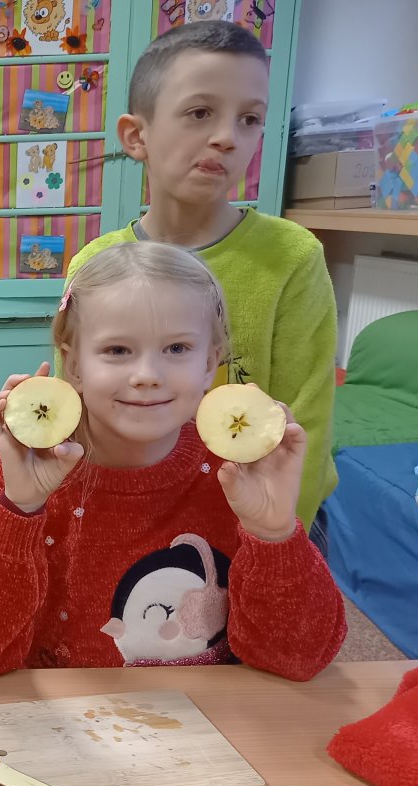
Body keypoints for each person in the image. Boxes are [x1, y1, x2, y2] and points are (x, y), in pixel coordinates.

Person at [0, 242, 347, 683]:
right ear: (73, 365)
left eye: (177, 348)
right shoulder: (21, 473)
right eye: (117, 350)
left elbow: (298, 660)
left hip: (203, 713)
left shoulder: (236, 475)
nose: (147, 374)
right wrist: (19, 509)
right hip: (59, 714)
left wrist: (274, 534)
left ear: (210, 363)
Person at [65, 20, 337, 548]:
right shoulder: (95, 263)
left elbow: (309, 417)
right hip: (134, 510)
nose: (227, 137)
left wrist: (278, 537)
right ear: (136, 135)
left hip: (261, 514)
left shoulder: (292, 256)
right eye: (199, 113)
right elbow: (77, 402)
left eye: (250, 119)